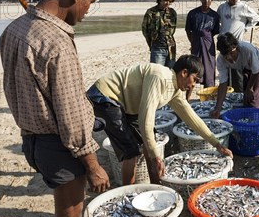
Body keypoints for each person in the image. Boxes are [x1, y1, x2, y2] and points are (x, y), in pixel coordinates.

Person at [0, 0, 110, 217]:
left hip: (30, 139)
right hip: (57, 144)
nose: (89, 10)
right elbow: (70, 113)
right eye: (90, 2)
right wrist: (91, 164)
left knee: (64, 216)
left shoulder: (14, 28)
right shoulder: (57, 43)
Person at [88, 55, 233, 186]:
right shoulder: (160, 77)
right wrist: (156, 157)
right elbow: (146, 119)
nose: (194, 85)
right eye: (194, 79)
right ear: (184, 73)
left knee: (150, 144)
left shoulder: (176, 90)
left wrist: (217, 144)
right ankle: (127, 194)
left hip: (126, 104)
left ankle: (155, 185)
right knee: (131, 152)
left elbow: (192, 119)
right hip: (105, 96)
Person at [210, 33, 259, 118]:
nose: (229, 58)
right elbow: (223, 84)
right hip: (246, 67)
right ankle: (248, 115)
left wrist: (250, 88)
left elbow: (255, 71)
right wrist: (218, 108)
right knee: (246, 95)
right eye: (225, 55)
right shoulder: (220, 60)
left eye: (232, 53)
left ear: (237, 48)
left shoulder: (247, 50)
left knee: (255, 94)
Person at [217, 0, 259, 92]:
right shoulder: (222, 8)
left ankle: (239, 91)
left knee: (237, 72)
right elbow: (217, 21)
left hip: (237, 44)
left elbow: (256, 18)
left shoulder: (243, 7)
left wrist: (245, 28)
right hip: (224, 43)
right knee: (225, 70)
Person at [185, 0, 220, 88]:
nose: (206, 1)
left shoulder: (214, 16)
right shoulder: (193, 14)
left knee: (209, 69)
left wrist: (205, 38)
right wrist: (193, 42)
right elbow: (188, 30)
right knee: (194, 69)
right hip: (196, 45)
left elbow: (214, 32)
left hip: (209, 46)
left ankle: (208, 96)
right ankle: (187, 97)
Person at [142, 0, 177, 67]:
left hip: (171, 48)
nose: (167, 3)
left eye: (170, 1)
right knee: (156, 74)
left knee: (170, 74)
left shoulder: (172, 13)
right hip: (157, 48)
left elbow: (173, 31)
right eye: (165, 0)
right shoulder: (151, 12)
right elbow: (145, 30)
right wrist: (151, 44)